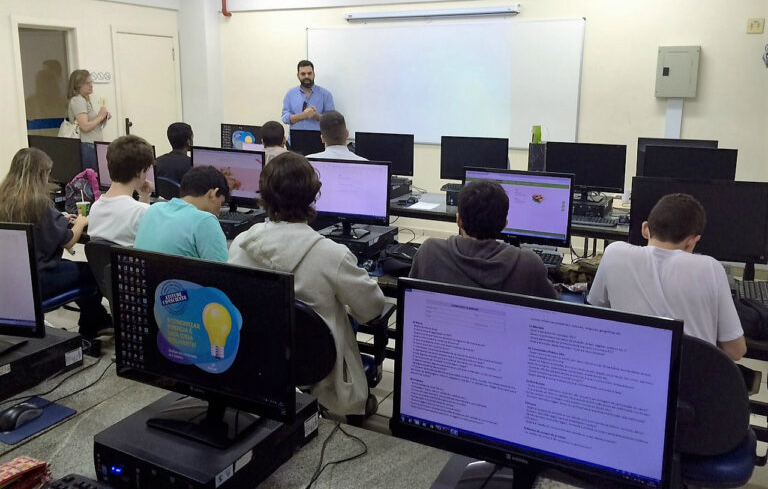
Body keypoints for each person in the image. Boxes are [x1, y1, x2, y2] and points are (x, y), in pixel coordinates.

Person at [228, 152, 385, 418]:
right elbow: (371, 309)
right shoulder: (332, 255)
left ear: (264, 195)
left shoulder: (240, 245)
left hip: (262, 362)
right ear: (313, 196)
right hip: (319, 371)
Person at [587, 193, 745, 361]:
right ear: (692, 241)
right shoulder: (711, 267)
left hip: (631, 373)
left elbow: (596, 308)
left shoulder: (614, 253)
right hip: (692, 382)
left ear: (645, 229)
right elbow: (736, 351)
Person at [0, 148, 112, 338]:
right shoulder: (38, 203)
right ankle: (91, 325)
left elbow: (41, 225)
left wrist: (59, 217)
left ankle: (97, 320)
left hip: (15, 279)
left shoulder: (5, 200)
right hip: (41, 278)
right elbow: (69, 241)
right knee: (94, 271)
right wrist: (82, 222)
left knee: (74, 267)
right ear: (40, 174)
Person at [409, 179, 558, 299]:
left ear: (459, 220)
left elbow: (412, 300)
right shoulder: (528, 263)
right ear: (504, 224)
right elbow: (555, 309)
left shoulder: (429, 251)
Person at [134, 166, 229, 262]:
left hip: (147, 276)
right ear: (212, 194)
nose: (218, 213)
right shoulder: (205, 220)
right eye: (220, 203)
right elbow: (223, 273)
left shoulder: (153, 209)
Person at [87, 135, 154, 246]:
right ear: (140, 172)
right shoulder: (144, 212)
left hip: (103, 264)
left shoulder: (95, 208)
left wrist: (144, 196)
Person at [66, 69, 110, 170]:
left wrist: (102, 117)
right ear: (77, 85)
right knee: (92, 179)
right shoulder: (78, 100)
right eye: (87, 83)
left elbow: (90, 122)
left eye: (91, 82)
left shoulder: (84, 100)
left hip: (91, 144)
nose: (91, 85)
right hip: (87, 145)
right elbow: (85, 126)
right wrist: (100, 116)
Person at [281, 60, 334, 132]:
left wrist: (315, 115)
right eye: (303, 74)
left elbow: (331, 120)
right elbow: (285, 118)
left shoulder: (326, 94)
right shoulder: (290, 94)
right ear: (298, 75)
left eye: (309, 73)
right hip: (295, 139)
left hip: (318, 139)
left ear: (314, 74)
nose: (307, 76)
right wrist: (303, 115)